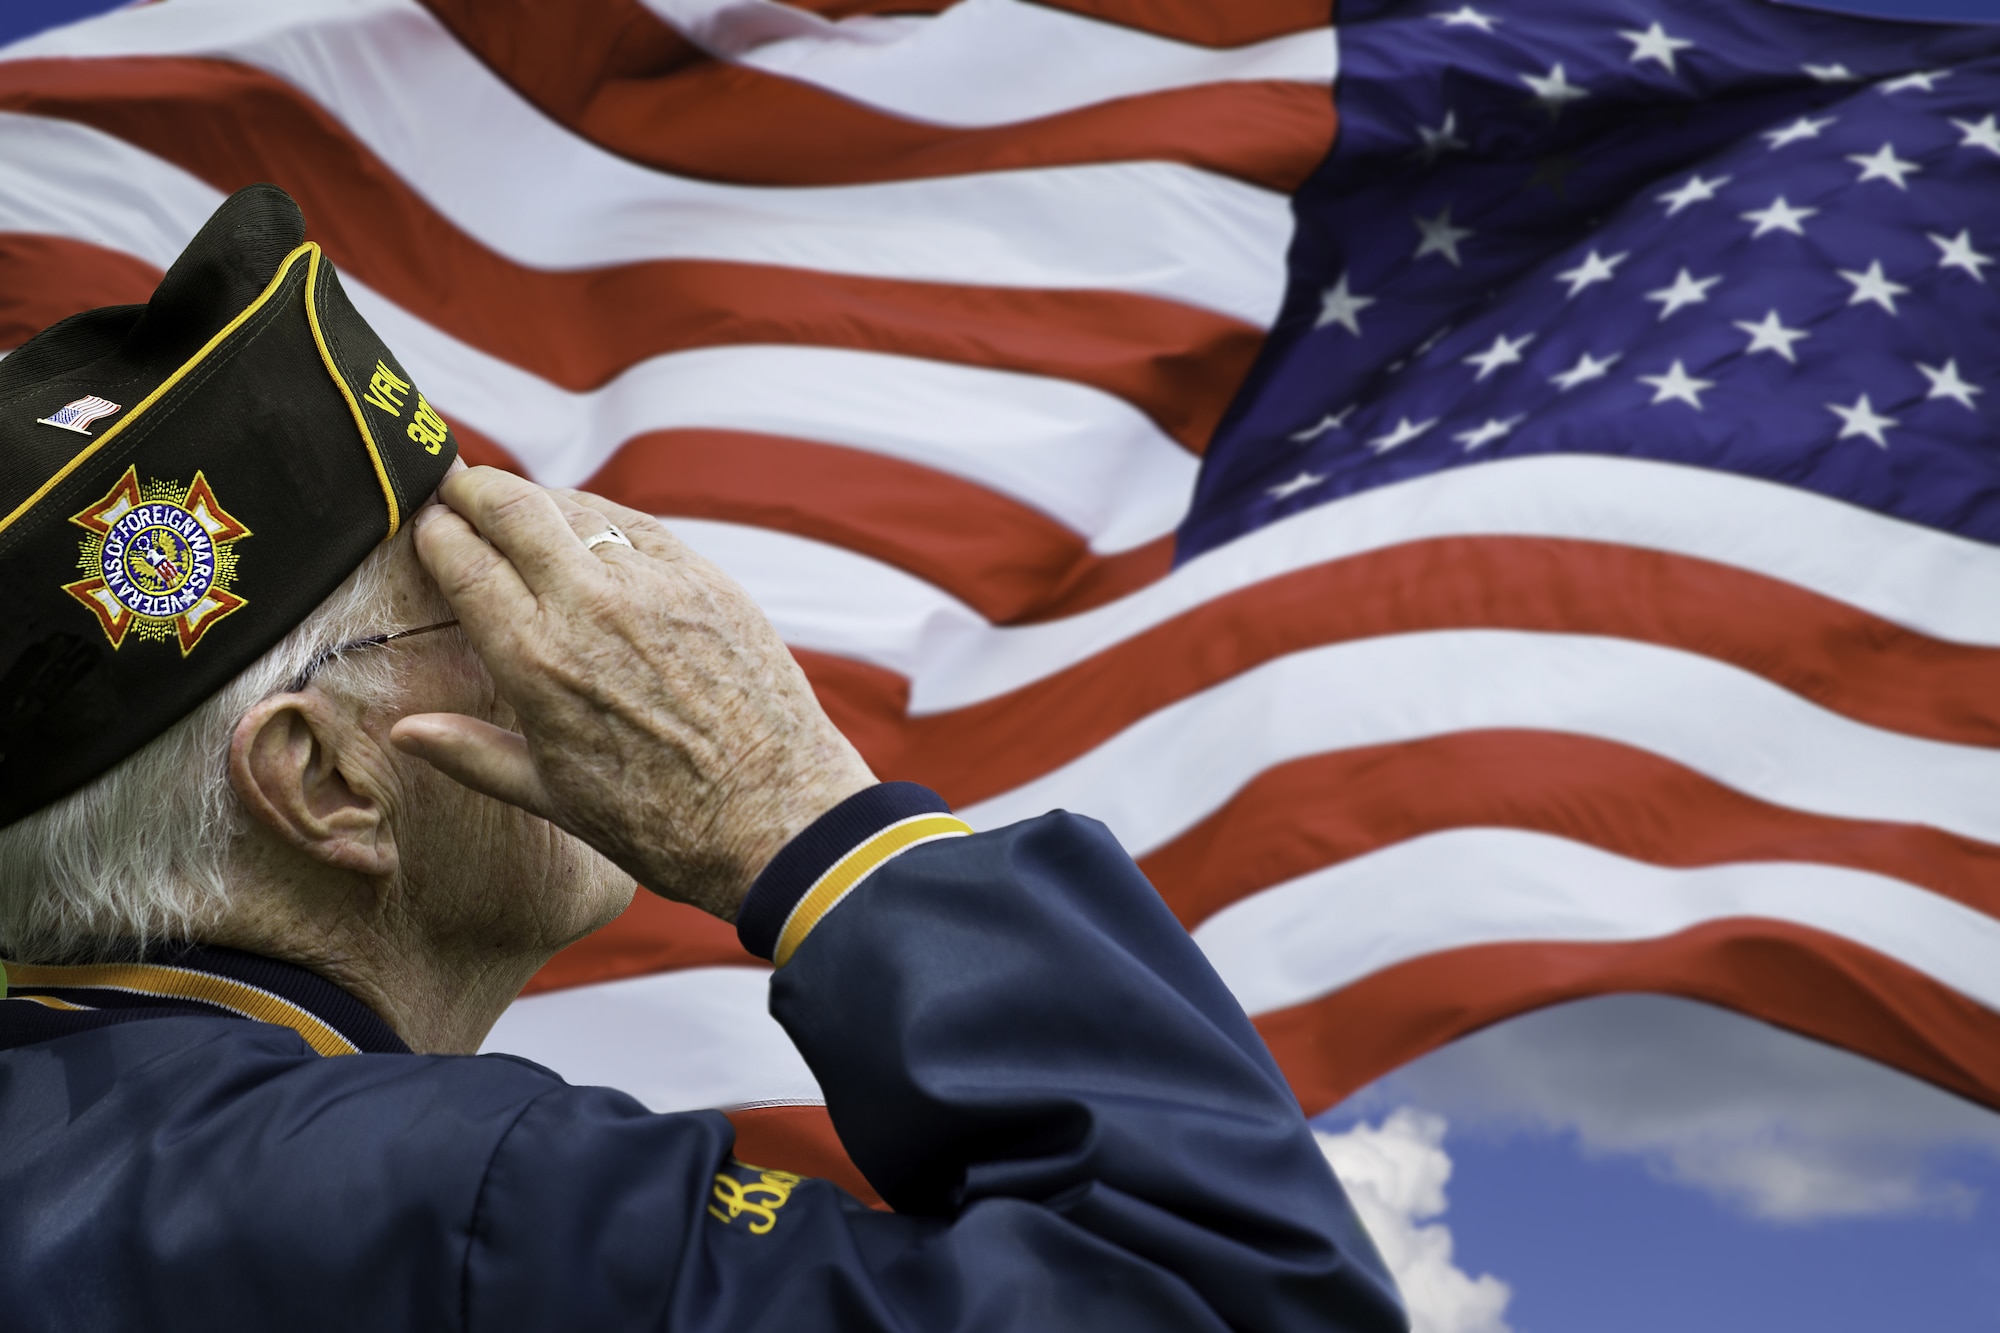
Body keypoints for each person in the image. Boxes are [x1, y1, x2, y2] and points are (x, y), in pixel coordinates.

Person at [0, 186, 1406, 1331]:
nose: (585, 627)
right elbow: (1231, 1300)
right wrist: (792, 808)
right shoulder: (462, 1208)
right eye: (475, 585)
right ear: (326, 783)